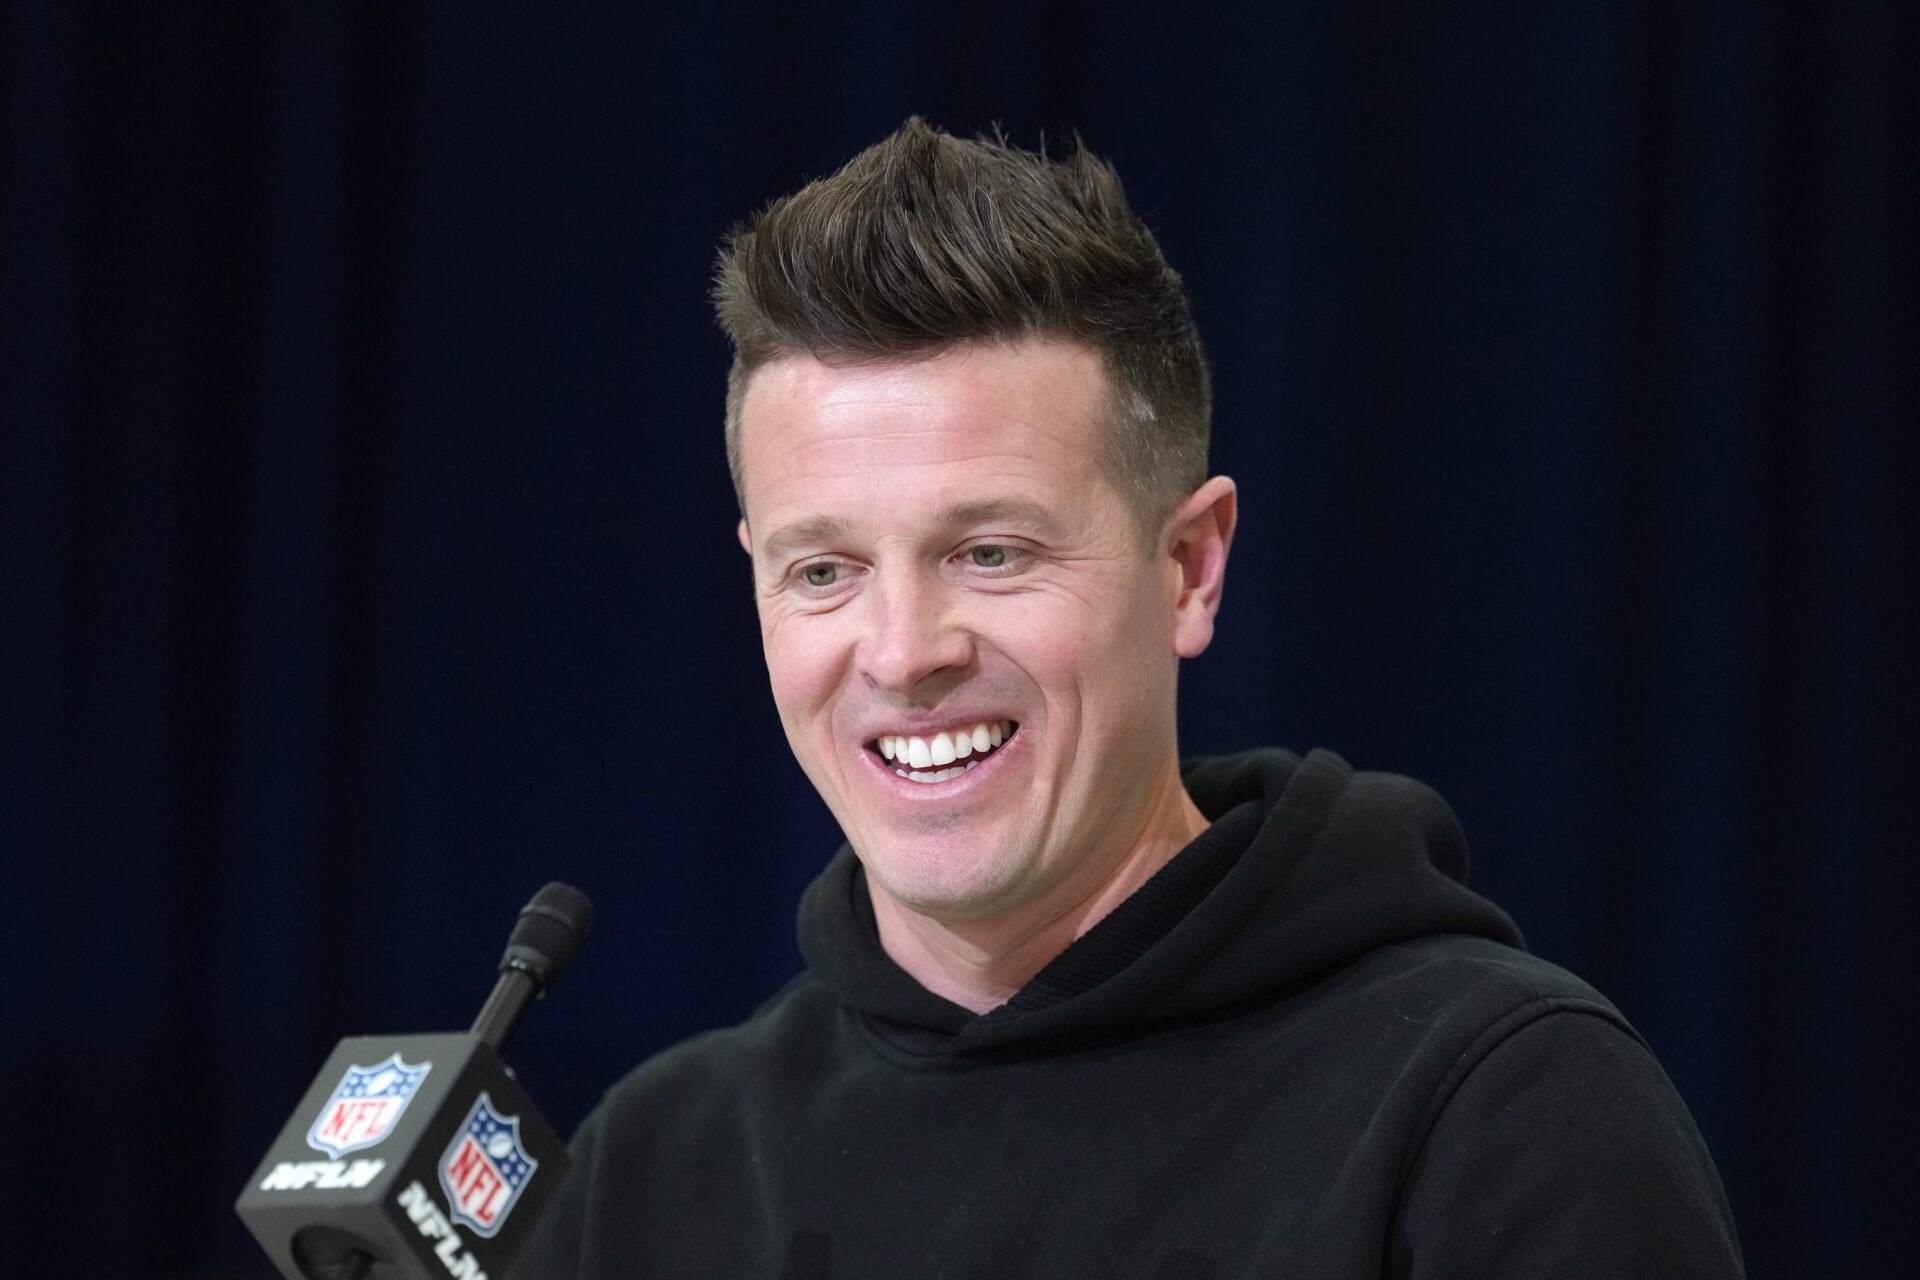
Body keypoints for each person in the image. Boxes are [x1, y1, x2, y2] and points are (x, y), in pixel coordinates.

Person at [513, 119, 1744, 1278]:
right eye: (823, 570)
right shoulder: (652, 1169)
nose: (900, 651)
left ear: (1190, 567)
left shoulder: (1497, 1108)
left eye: (989, 551)